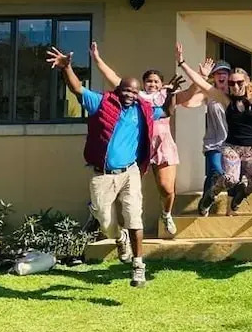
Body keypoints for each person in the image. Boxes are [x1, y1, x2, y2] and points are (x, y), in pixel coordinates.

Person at [45, 45, 175, 288]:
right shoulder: (102, 103)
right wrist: (66, 68)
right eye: (127, 91)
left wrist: (172, 94)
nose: (130, 95)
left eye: (134, 92)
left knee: (134, 216)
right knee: (105, 222)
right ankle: (119, 237)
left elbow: (166, 111)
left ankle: (138, 267)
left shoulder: (143, 109)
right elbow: (77, 88)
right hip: (102, 175)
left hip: (130, 172)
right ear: (118, 90)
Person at [177, 43, 252, 214]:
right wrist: (182, 63)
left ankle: (243, 192)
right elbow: (201, 83)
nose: (235, 86)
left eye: (239, 82)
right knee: (231, 179)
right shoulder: (225, 100)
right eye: (232, 83)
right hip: (231, 147)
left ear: (246, 82)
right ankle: (212, 194)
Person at [90, 42, 186, 237]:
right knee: (123, 188)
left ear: (161, 84)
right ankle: (107, 220)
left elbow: (185, 98)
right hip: (139, 146)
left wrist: (185, 68)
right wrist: (97, 59)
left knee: (167, 188)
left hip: (162, 145)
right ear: (143, 83)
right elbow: (113, 78)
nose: (153, 84)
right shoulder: (138, 97)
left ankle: (166, 214)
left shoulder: (167, 95)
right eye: (149, 81)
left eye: (156, 81)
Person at [176, 58, 233, 217]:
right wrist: (201, 77)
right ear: (213, 77)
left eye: (224, 72)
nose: (221, 76)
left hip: (233, 145)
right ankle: (206, 204)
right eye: (218, 73)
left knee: (232, 177)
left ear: (229, 76)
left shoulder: (236, 94)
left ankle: (229, 209)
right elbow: (187, 103)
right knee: (216, 173)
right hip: (214, 144)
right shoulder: (208, 94)